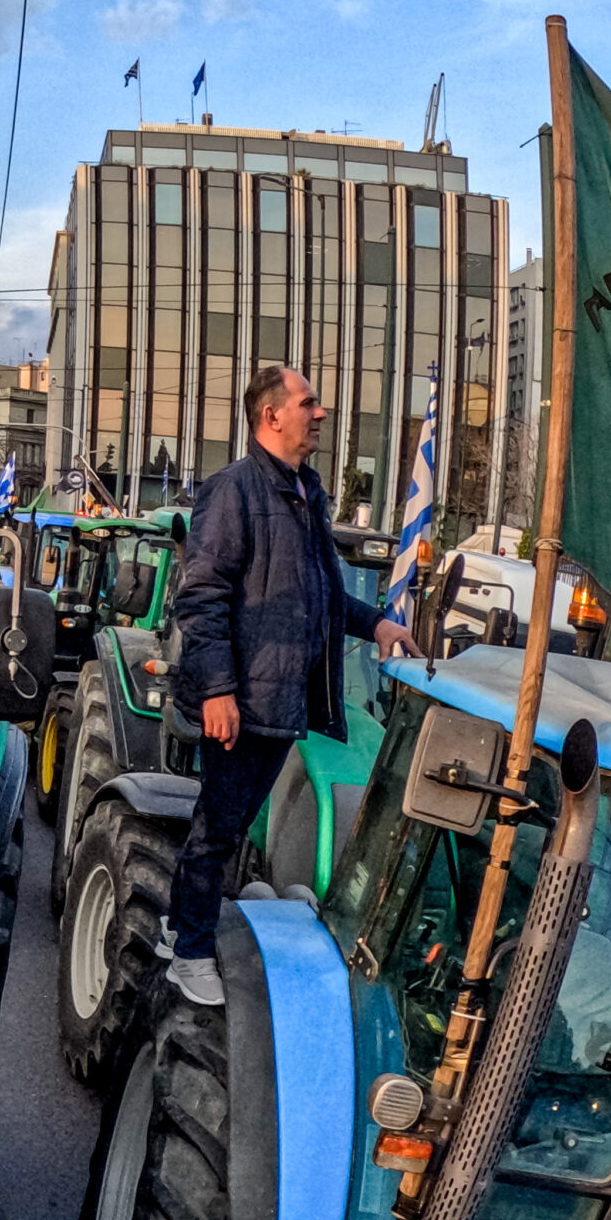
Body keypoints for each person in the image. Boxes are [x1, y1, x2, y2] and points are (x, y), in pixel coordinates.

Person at [165, 366, 418, 1005]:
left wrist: (379, 624)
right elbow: (200, 599)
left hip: (281, 701)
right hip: (242, 701)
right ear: (271, 415)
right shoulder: (234, 491)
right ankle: (188, 950)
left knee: (239, 820)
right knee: (216, 828)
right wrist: (218, 691)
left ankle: (194, 919)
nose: (322, 412)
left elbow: (324, 595)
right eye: (309, 402)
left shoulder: (307, 493)